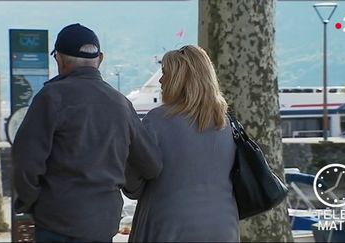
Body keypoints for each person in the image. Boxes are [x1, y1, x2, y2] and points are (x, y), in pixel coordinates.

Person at [12, 23, 162, 242]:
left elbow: (25, 160)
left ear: (59, 59)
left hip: (56, 222)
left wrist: (31, 202)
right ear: (100, 59)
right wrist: (128, 184)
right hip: (103, 223)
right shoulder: (121, 103)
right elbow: (151, 165)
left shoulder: (51, 98)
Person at [123, 45, 239, 242]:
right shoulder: (227, 124)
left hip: (169, 227)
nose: (160, 80)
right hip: (224, 228)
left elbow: (132, 186)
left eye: (165, 74)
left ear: (179, 79)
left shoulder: (157, 121)